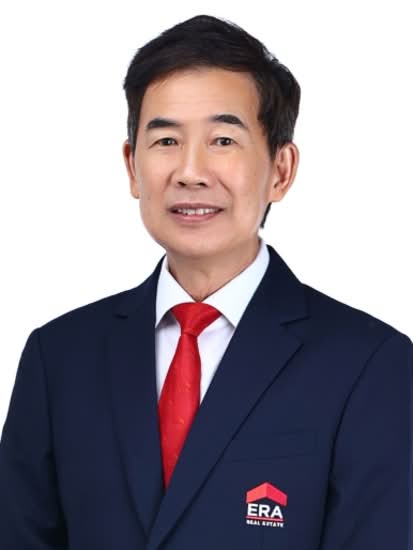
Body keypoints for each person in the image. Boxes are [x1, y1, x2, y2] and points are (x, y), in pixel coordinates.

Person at [0, 13, 411, 550]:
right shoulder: (58, 356)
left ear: (281, 170)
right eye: (166, 140)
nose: (190, 172)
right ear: (132, 166)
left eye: (222, 139)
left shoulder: (371, 364)